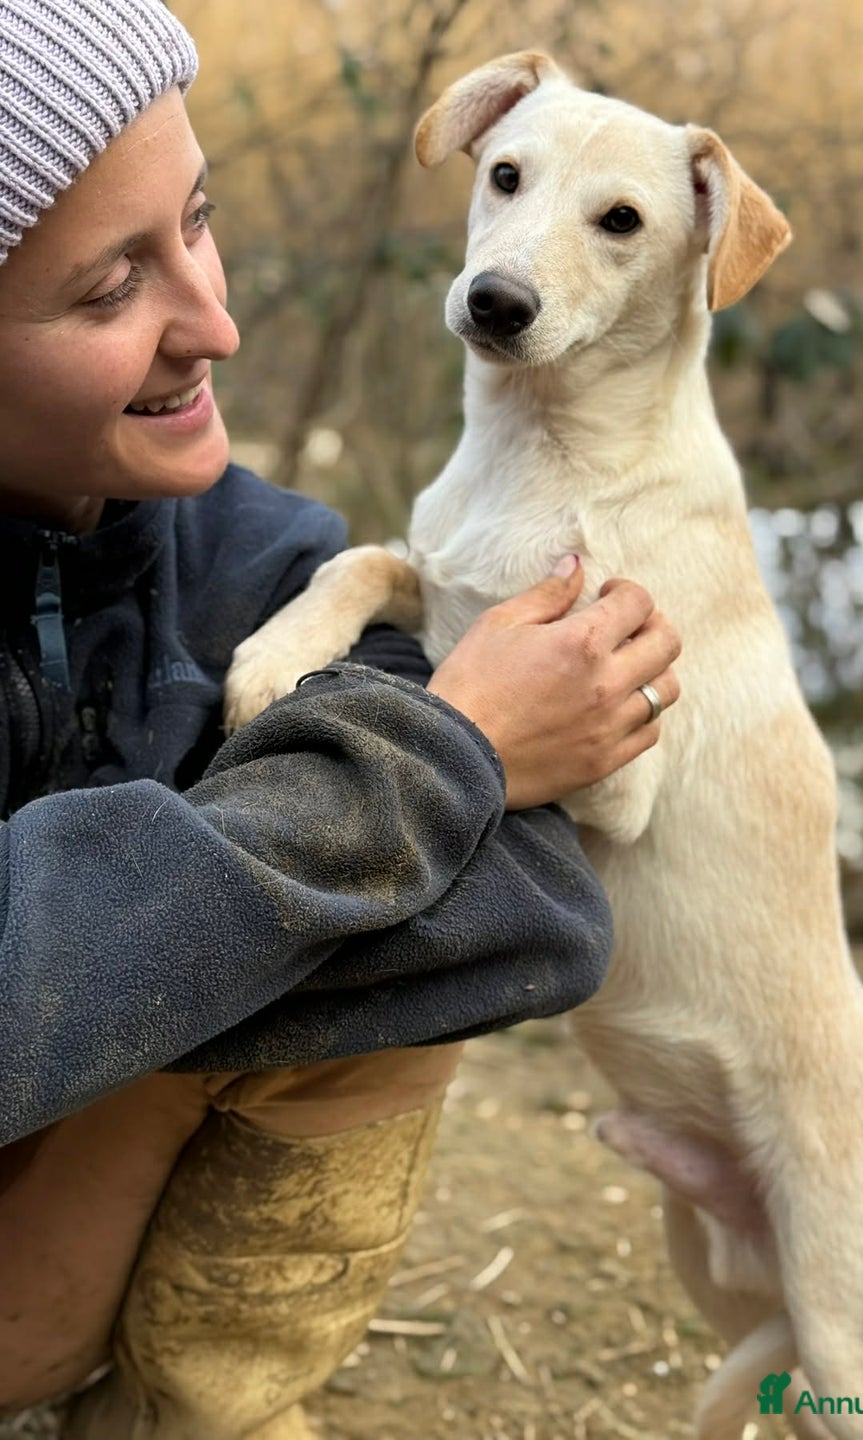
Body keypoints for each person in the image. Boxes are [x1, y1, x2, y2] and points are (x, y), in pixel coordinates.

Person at [0, 3, 682, 1437]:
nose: (218, 323)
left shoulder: (242, 549)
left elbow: (539, 909)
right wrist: (453, 756)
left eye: (199, 221)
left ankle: (199, 1411)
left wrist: (152, 939)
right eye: (111, 285)